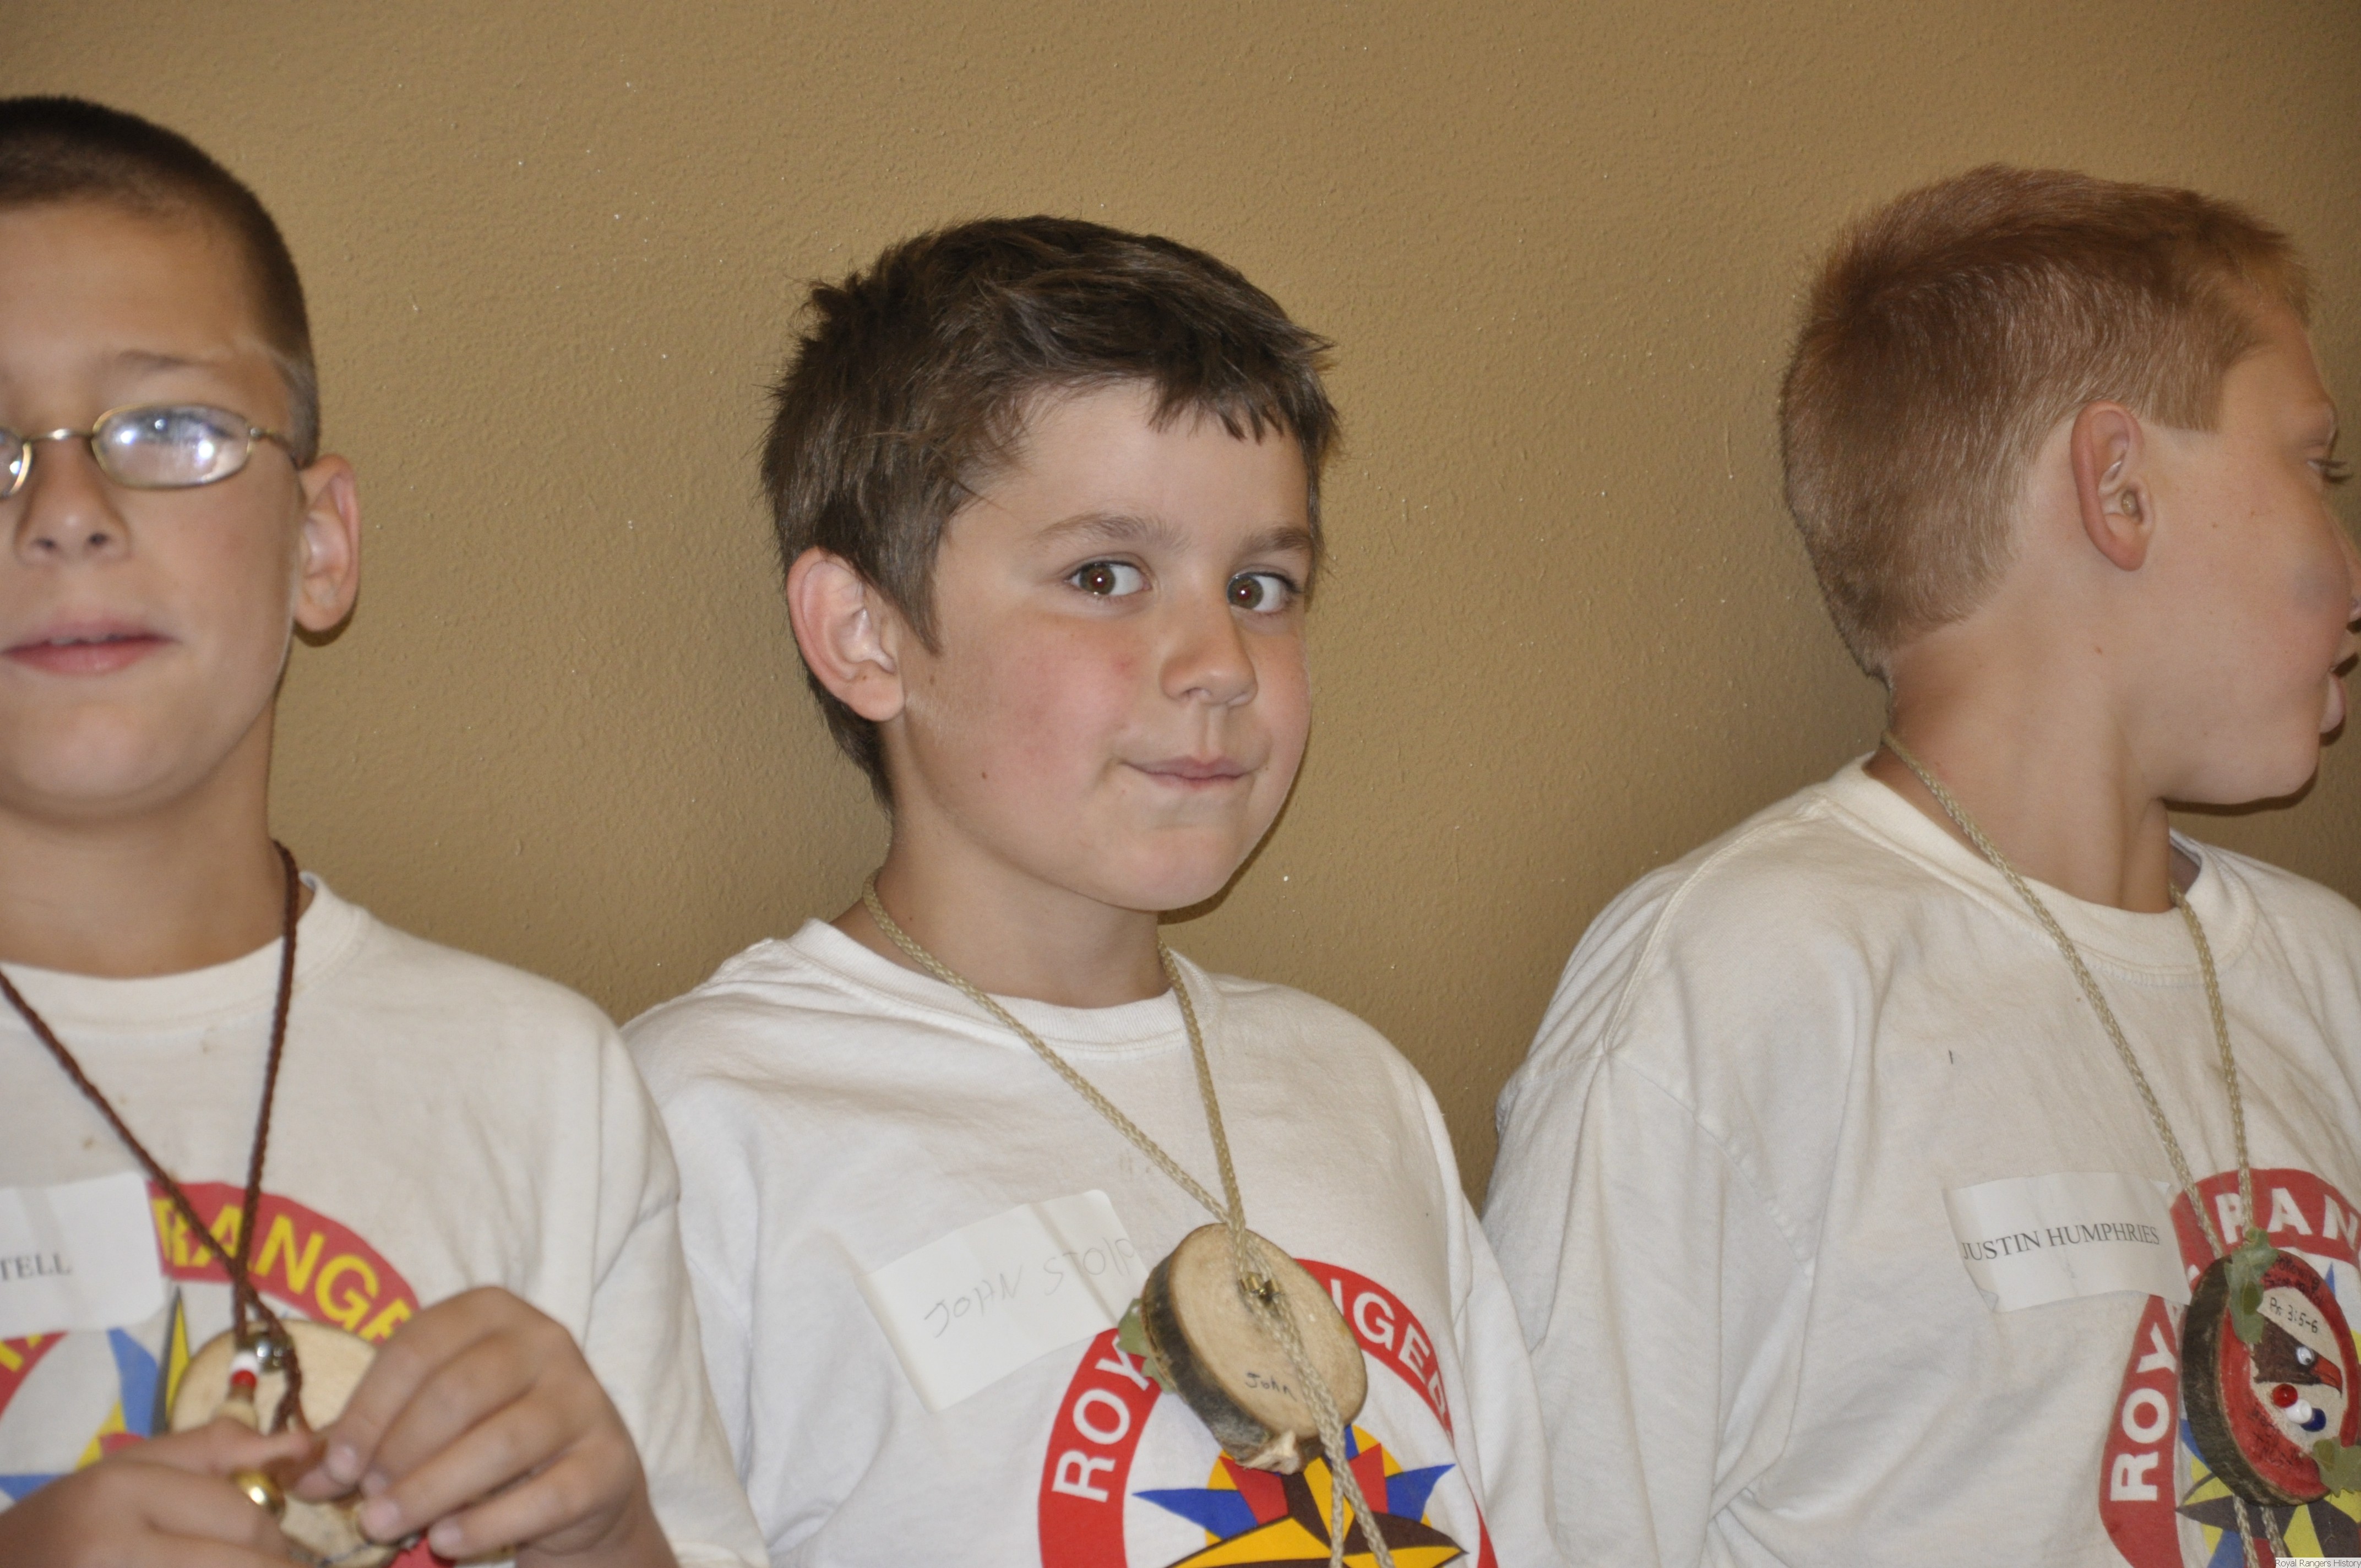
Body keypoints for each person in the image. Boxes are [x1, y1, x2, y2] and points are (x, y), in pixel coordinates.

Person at [625, 216, 1562, 1567]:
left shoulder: (1358, 1090)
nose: (1220, 661)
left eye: (1261, 585)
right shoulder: (699, 1129)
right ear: (864, 632)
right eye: (1104, 576)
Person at [1486, 163, 2361, 1567]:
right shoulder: (1741, 987)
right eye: (2314, 468)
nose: (2347, 561)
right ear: (2118, 487)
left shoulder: (2326, 974)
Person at [0, 97, 763, 1568]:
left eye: (169, 429)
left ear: (320, 543)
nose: (68, 510)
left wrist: (605, 1532)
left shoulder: (542, 1082)